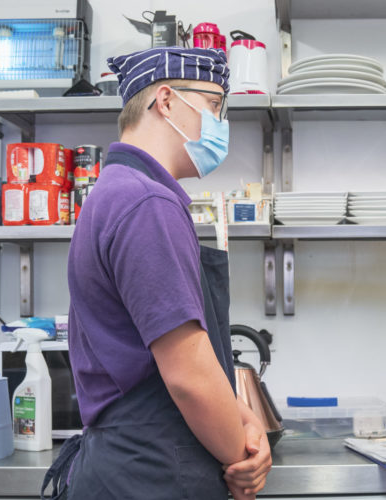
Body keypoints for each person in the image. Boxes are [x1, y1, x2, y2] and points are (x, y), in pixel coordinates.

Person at [42, 47, 271, 500]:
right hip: (149, 472)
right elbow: (188, 377)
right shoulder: (147, 204)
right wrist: (241, 457)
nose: (221, 125)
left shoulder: (119, 193)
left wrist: (245, 419)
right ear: (166, 101)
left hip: (138, 465)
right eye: (213, 106)